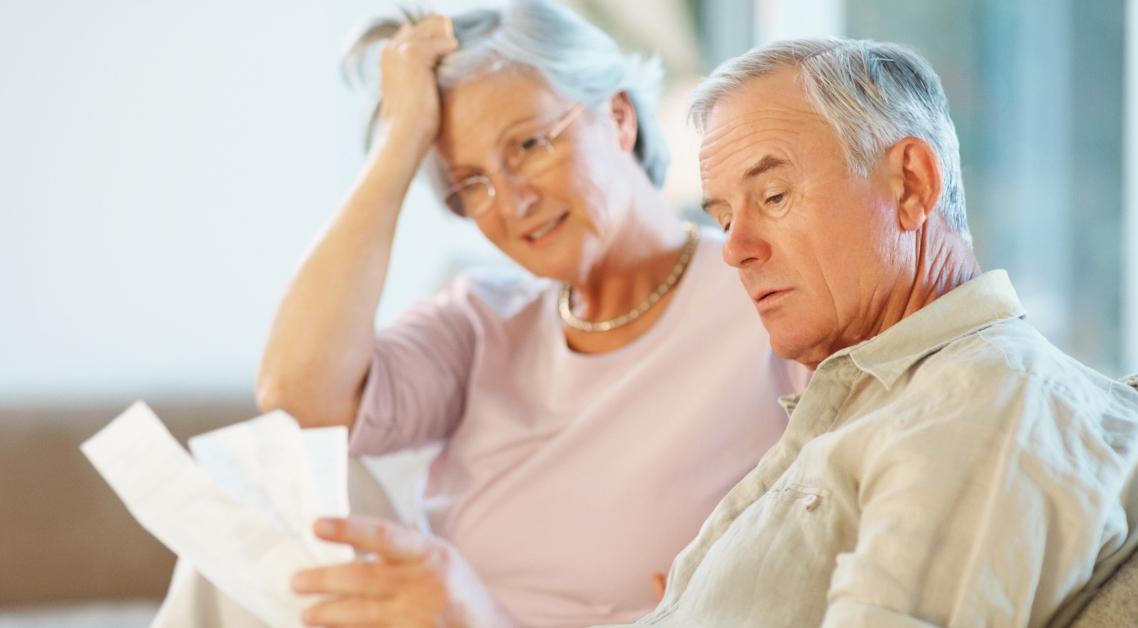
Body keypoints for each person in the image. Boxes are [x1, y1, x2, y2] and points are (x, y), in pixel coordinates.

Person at [257, 2, 806, 626]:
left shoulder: (767, 299)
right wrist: (396, 146)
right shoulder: (480, 319)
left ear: (619, 117)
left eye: (527, 144)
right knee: (266, 506)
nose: (512, 203)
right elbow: (297, 398)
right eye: (472, 182)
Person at [599, 37, 1138, 627]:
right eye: (722, 219)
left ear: (912, 184)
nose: (735, 249)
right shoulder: (876, 400)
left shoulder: (983, 398)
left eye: (773, 196)